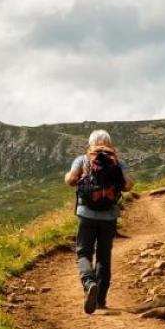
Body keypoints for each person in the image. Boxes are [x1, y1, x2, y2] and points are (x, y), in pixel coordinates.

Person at [65, 130, 134, 314]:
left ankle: (89, 283)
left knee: (83, 253)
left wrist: (79, 178)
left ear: (90, 144)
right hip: (109, 216)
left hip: (86, 214)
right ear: (109, 143)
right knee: (104, 256)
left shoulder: (83, 159)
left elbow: (70, 179)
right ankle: (101, 300)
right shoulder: (117, 161)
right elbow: (128, 186)